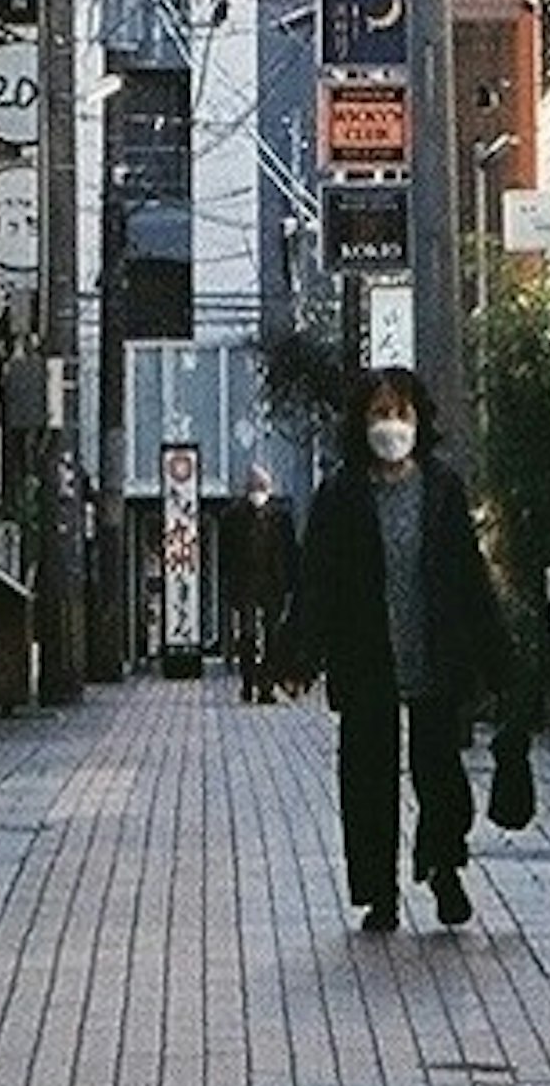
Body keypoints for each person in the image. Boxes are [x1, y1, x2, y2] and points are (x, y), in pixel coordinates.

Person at [283, 364, 513, 933]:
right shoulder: (340, 494)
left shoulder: (441, 490)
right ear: (361, 424)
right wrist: (299, 653)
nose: (391, 425)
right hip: (365, 655)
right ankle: (378, 893)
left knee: (441, 774)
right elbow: (317, 581)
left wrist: (500, 659)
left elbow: (468, 577)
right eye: (379, 414)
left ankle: (444, 868)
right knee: (367, 777)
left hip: (434, 649)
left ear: (419, 420)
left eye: (401, 413)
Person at [220, 458, 300, 700]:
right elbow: (225, 552)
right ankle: (247, 681)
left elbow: (290, 551)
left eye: (262, 485)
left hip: (272, 583)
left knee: (272, 635)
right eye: (254, 485)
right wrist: (228, 582)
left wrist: (290, 583)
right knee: (247, 634)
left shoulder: (281, 516)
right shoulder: (233, 515)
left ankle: (266, 685)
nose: (258, 490)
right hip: (245, 582)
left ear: (270, 487)